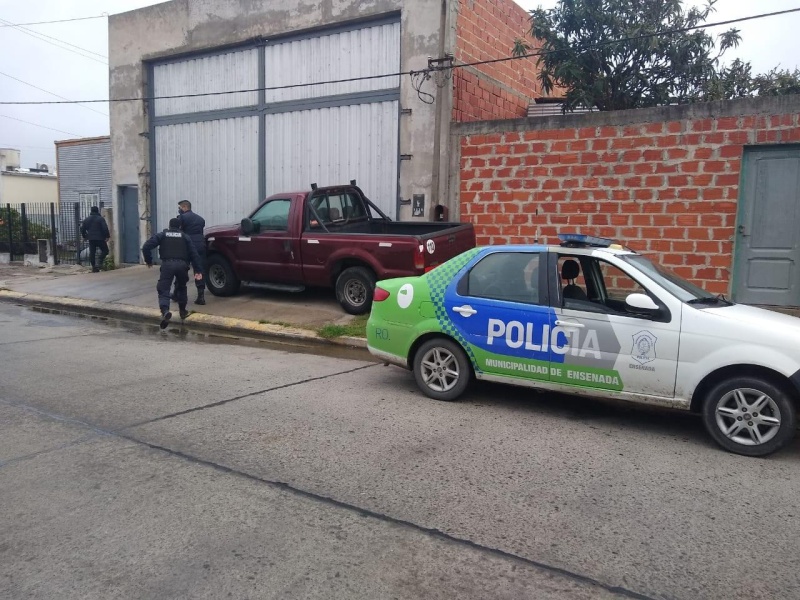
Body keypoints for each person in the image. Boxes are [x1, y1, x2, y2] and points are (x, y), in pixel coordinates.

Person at [142, 217, 203, 329]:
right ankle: (183, 311)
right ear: (180, 226)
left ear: (169, 226)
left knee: (164, 288)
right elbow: (194, 254)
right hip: (182, 265)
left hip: (167, 265)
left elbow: (146, 246)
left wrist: (149, 261)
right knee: (182, 287)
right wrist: (198, 270)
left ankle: (165, 311)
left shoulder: (162, 235)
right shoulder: (185, 236)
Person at [176, 200, 207, 305]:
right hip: (200, 246)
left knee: (181, 269)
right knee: (199, 270)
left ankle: (177, 294)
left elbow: (179, 232)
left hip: (187, 247)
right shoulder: (200, 219)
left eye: (180, 207)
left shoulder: (182, 218)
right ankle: (201, 296)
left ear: (185, 207)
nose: (179, 209)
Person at [80, 206, 110, 273]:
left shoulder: (86, 219)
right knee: (105, 250)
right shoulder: (100, 219)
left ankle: (94, 267)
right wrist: (107, 236)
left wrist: (84, 236)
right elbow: (105, 228)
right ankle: (99, 262)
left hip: (91, 239)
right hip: (100, 238)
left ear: (91, 211)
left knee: (92, 253)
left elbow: (82, 229)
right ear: (97, 211)